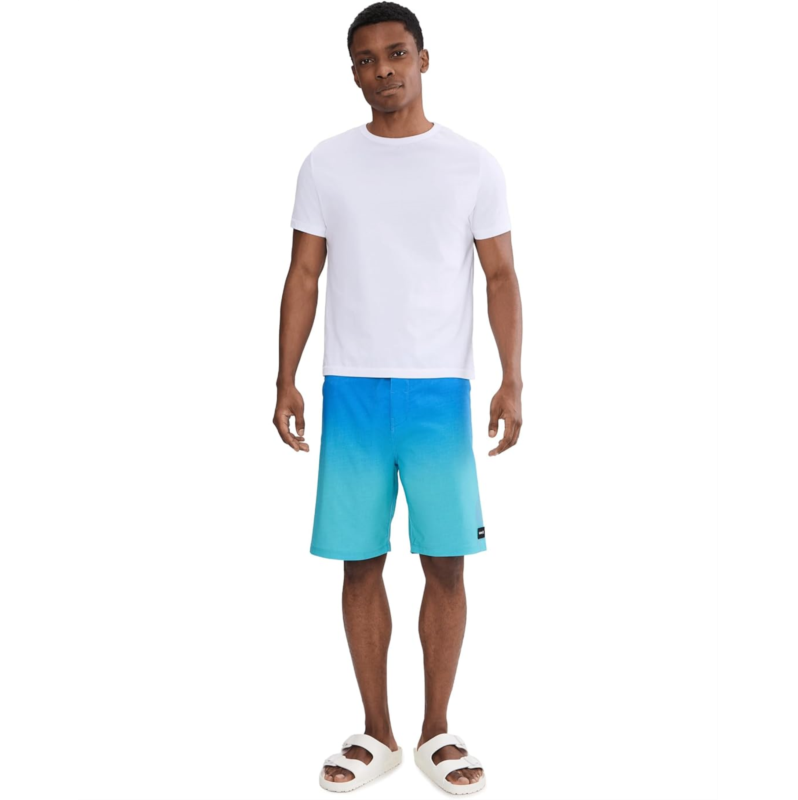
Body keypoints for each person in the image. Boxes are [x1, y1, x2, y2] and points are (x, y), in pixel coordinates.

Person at [274, 2, 522, 793]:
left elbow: (501, 275)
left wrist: (512, 379)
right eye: (365, 59)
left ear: (422, 58)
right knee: (359, 562)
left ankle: (436, 731)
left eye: (395, 53)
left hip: (438, 392)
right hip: (351, 388)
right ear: (353, 72)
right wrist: (284, 377)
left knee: (446, 561)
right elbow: (303, 274)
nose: (382, 69)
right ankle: (377, 734)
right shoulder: (326, 163)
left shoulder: (472, 164)